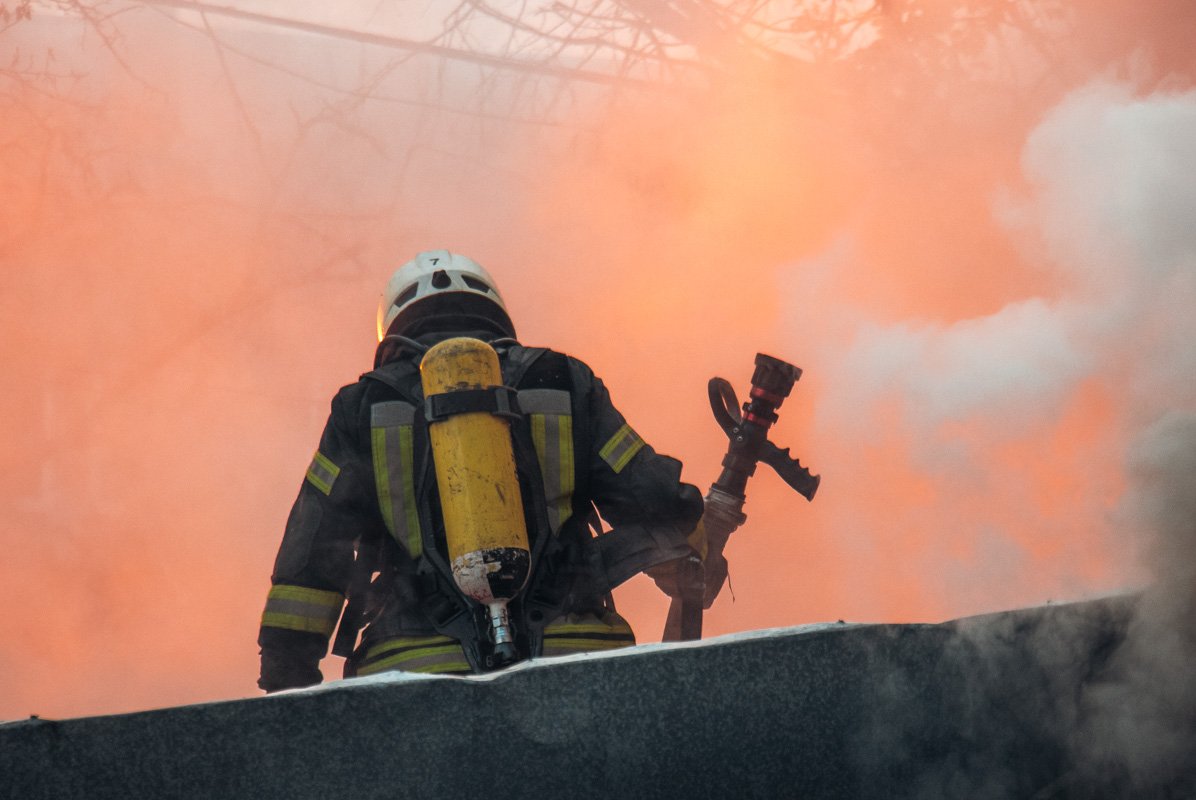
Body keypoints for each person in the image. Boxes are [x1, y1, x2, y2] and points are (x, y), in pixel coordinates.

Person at [258, 250, 707, 692]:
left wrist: (287, 682)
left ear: (393, 328)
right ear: (495, 311)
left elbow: (312, 555)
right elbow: (655, 497)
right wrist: (693, 545)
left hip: (415, 672)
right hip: (575, 656)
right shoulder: (565, 381)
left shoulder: (363, 408)